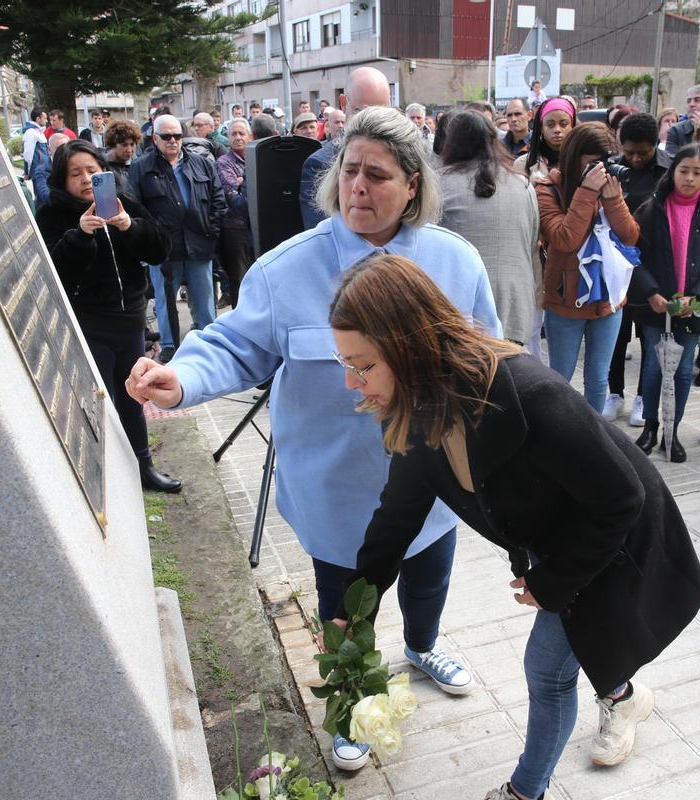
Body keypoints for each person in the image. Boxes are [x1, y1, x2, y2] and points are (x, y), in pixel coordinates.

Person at [124, 107, 500, 772]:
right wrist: (176, 379)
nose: (358, 185)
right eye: (349, 170)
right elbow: (233, 347)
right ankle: (353, 704)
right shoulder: (285, 270)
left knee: (428, 582)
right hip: (340, 495)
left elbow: (489, 359)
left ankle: (421, 646)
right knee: (344, 611)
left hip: (434, 485)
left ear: (413, 184)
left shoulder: (455, 262)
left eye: (377, 175)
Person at [325, 253, 700, 800]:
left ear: (408, 347)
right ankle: (624, 697)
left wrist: (553, 583)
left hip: (614, 536)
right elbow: (396, 517)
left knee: (547, 668)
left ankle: (525, 793)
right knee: (578, 643)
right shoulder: (416, 408)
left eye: (362, 365)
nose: (350, 383)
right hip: (565, 539)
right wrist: (350, 608)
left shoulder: (530, 394)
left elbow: (622, 498)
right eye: (345, 363)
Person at [33, 140, 178, 492]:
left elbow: (159, 249)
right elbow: (55, 273)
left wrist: (130, 226)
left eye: (92, 171)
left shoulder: (121, 204)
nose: (85, 179)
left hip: (129, 319)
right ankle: (97, 475)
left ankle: (142, 466)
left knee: (134, 395)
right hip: (88, 322)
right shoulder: (52, 214)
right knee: (94, 400)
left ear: (104, 173)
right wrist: (81, 234)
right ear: (62, 179)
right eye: (75, 173)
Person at [628, 144, 700, 462]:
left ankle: (671, 433)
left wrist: (698, 297)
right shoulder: (650, 208)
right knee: (652, 366)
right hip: (656, 305)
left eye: (697, 172)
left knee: (684, 370)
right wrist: (650, 291)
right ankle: (649, 425)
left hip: (692, 307)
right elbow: (634, 256)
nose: (689, 178)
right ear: (672, 171)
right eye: (683, 170)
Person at [537, 123, 639, 413]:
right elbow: (563, 238)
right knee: (561, 378)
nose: (601, 168)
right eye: (592, 161)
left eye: (605, 160)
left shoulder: (608, 186)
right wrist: (586, 192)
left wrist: (612, 198)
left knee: (597, 378)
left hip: (607, 300)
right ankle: (558, 436)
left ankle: (594, 442)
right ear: (574, 157)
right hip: (565, 301)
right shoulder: (548, 189)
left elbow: (630, 237)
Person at [125, 114, 227, 362]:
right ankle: (170, 345)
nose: (173, 141)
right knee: (164, 300)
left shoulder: (202, 164)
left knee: (204, 300)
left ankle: (207, 341)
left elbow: (218, 201)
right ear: (155, 138)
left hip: (198, 245)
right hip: (163, 249)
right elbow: (134, 206)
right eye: (166, 136)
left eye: (177, 136)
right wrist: (150, 238)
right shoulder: (141, 167)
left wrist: (210, 232)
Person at [438, 110, 539, 346]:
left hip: (461, 311)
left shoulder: (437, 185)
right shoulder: (522, 185)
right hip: (515, 307)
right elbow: (532, 241)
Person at [607, 113, 671, 425]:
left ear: (655, 145)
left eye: (642, 153)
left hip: (653, 267)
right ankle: (614, 392)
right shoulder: (612, 168)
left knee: (649, 338)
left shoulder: (669, 170)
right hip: (616, 267)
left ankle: (645, 397)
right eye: (628, 151)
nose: (634, 158)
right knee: (615, 337)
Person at [300, 66, 391, 229]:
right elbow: (321, 236)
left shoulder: (401, 155)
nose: (370, 122)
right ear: (343, 103)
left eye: (379, 112)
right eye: (361, 111)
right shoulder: (320, 164)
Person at [214, 118, 254, 308]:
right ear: (227, 137)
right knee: (240, 280)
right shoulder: (223, 162)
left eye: (242, 133)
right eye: (233, 134)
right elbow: (232, 193)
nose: (238, 137)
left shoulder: (257, 157)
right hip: (234, 230)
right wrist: (243, 183)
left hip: (257, 227)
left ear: (250, 136)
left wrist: (242, 182)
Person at [516, 96, 575, 182]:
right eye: (550, 125)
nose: (557, 130)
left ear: (572, 126)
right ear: (541, 128)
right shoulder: (523, 164)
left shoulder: (584, 161)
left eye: (564, 124)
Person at [665, 84, 700, 156]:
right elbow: (671, 162)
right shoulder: (676, 130)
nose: (691, 104)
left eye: (697, 100)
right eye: (688, 101)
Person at [104, 120, 141, 184]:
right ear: (113, 144)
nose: (129, 150)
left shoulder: (137, 165)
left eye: (132, 144)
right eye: (124, 145)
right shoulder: (102, 167)